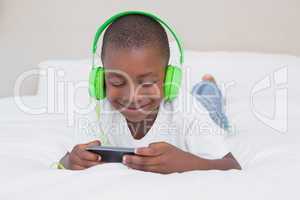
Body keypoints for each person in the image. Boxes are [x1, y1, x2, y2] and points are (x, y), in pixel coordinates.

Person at [58, 13, 241, 173]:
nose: (132, 97)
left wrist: (185, 162)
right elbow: (65, 161)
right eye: (117, 82)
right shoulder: (97, 109)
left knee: (211, 107)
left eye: (146, 83)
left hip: (203, 108)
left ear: (169, 80)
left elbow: (231, 165)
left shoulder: (187, 111)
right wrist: (72, 160)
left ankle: (208, 86)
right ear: (100, 80)